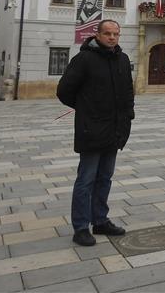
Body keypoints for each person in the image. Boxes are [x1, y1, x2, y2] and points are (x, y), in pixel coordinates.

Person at [57, 20, 134, 246]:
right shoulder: (84, 59)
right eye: (108, 33)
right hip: (91, 129)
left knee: (105, 178)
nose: (112, 37)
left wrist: (128, 115)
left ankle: (100, 220)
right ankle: (81, 227)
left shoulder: (123, 59)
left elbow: (128, 91)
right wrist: (86, 108)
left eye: (116, 34)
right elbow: (64, 91)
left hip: (114, 129)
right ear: (97, 35)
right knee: (86, 180)